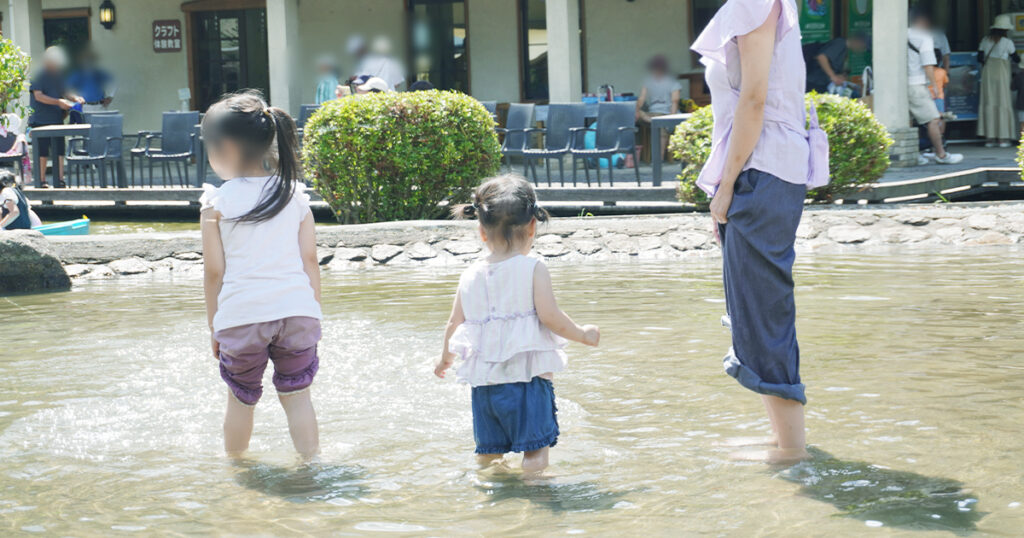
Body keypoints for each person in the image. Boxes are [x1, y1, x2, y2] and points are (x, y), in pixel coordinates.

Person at [692, 0, 829, 463]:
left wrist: (726, 187)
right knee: (756, 306)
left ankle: (793, 451)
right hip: (766, 169)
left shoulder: (757, 2)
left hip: (760, 171)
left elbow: (754, 100)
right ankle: (781, 438)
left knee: (764, 311)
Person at [434, 175, 600, 475]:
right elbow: (551, 318)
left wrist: (445, 358)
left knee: (489, 453)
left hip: (484, 388)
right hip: (527, 381)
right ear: (533, 227)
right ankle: (535, 502)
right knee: (535, 451)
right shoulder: (533, 268)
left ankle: (492, 497)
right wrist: (583, 335)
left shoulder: (469, 273)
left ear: (481, 231)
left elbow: (453, 323)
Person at [199, 91, 323, 461]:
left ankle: (237, 470)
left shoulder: (216, 204)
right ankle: (312, 465)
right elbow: (311, 260)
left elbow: (214, 272)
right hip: (297, 312)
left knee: (240, 399)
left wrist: (213, 326)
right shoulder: (295, 197)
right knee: (298, 397)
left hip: (242, 316)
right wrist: (313, 309)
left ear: (228, 148)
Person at [908, 11, 963, 164]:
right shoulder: (925, 37)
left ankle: (913, 155)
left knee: (908, 121)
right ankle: (941, 154)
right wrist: (934, 87)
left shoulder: (901, 34)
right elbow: (928, 65)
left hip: (899, 86)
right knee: (933, 119)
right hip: (917, 84)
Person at [29, 46, 85, 188]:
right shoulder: (38, 74)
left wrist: (76, 98)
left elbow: (66, 92)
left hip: (56, 119)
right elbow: (38, 96)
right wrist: (58, 102)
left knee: (59, 149)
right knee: (42, 152)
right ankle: (41, 181)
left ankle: (60, 179)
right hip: (40, 119)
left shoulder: (59, 75)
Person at [977, 15, 1019, 147]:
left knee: (988, 102)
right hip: (1002, 74)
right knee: (1003, 102)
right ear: (1005, 30)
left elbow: (979, 57)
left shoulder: (985, 40)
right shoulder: (1008, 43)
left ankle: (989, 139)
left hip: (988, 74)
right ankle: (1003, 138)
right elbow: (1016, 59)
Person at [636, 55, 682, 162]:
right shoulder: (648, 82)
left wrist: (671, 118)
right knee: (639, 114)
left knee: (662, 126)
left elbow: (675, 102)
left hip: (666, 113)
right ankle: (655, 121)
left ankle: (659, 159)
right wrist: (636, 109)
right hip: (652, 114)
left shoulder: (673, 83)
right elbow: (641, 99)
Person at [804, 34, 868, 93]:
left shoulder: (845, 49)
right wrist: (833, 76)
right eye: (863, 47)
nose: (862, 50)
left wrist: (840, 76)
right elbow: (821, 57)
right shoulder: (840, 43)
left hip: (821, 83)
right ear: (858, 42)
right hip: (814, 82)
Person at [66, 48, 114, 113]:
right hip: (84, 107)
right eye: (85, 59)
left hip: (100, 106)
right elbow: (67, 89)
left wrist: (110, 97)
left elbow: (113, 82)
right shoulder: (78, 73)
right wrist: (75, 97)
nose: (88, 61)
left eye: (90, 59)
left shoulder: (99, 72)